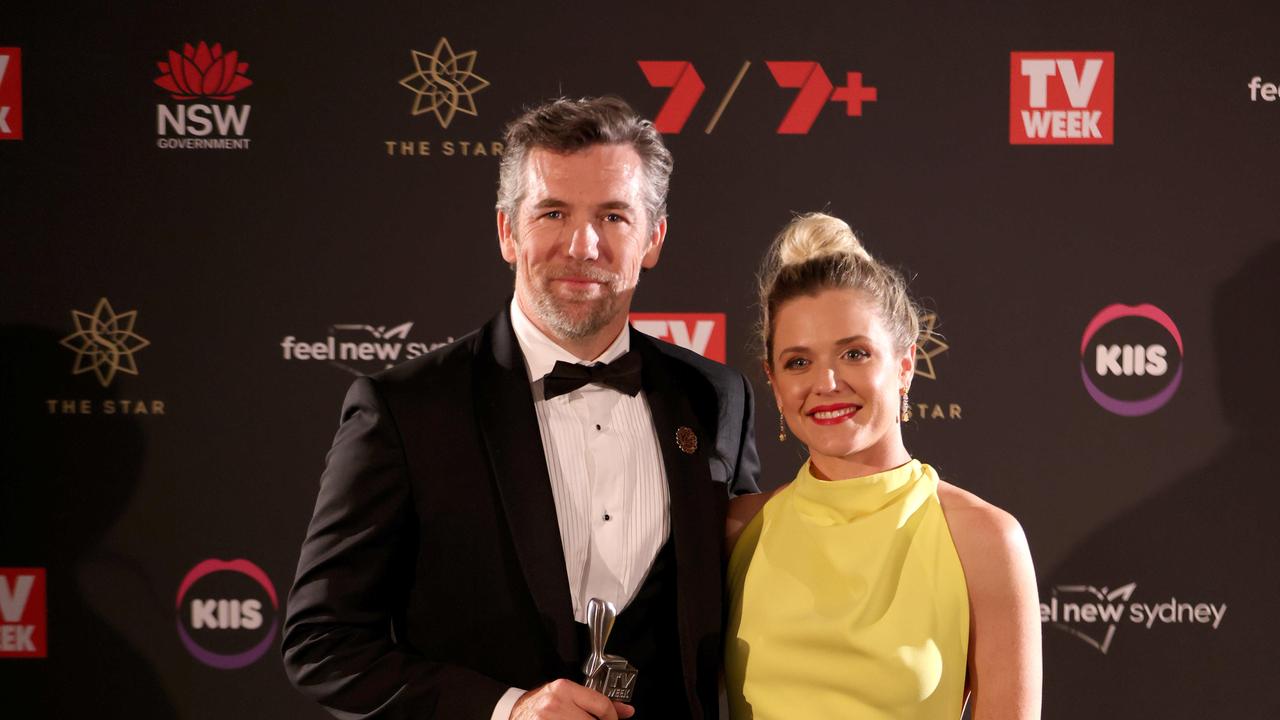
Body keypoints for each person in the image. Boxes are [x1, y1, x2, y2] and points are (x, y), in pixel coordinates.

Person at [281, 96, 760, 720]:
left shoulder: (717, 397)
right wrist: (506, 710)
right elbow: (322, 644)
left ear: (653, 238)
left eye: (614, 216)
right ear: (508, 231)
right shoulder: (405, 410)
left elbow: (754, 594)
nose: (583, 245)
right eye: (553, 212)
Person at [723, 213, 1041, 719]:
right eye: (798, 362)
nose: (826, 382)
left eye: (854, 353)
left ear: (905, 365)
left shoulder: (983, 540)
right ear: (773, 379)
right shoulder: (740, 532)